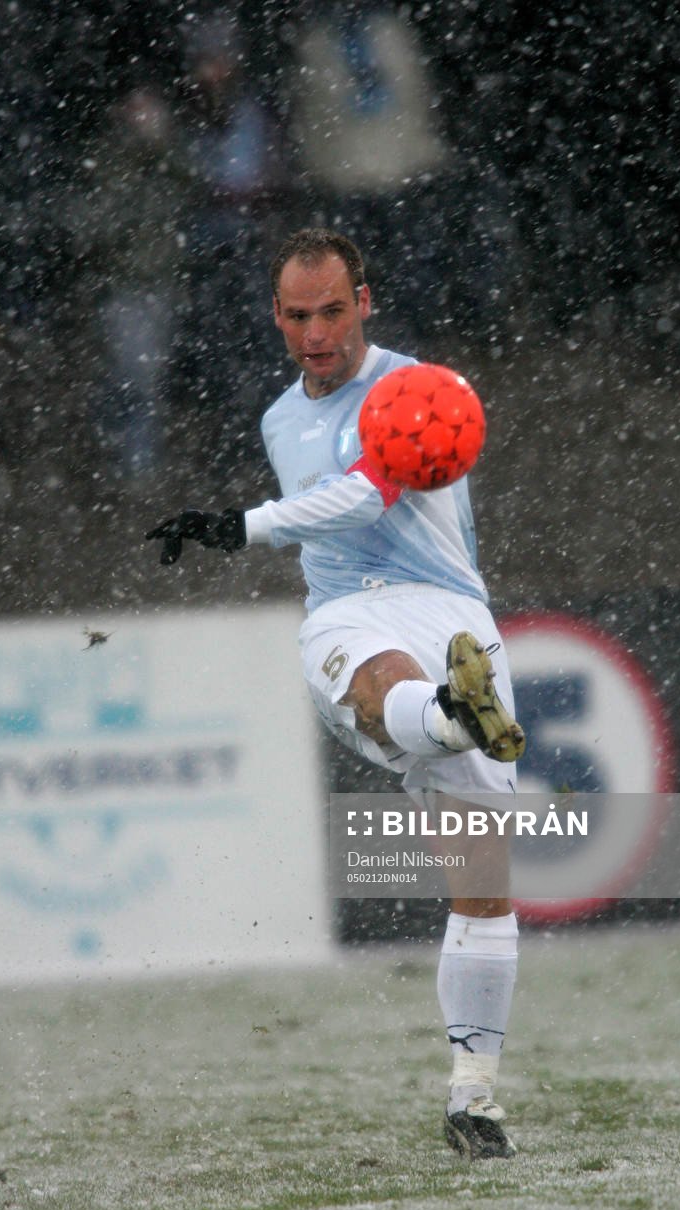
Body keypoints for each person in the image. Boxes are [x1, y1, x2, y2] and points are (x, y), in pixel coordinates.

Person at [146, 227, 525, 1160]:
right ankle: (446, 711)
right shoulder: (279, 418)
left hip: (450, 611)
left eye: (332, 311)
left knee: (480, 886)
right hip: (348, 610)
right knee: (378, 680)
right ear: (276, 316)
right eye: (297, 315)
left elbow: (365, 495)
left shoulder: (418, 388)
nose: (317, 333)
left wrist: (240, 526)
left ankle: (474, 1097)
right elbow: (335, 527)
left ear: (366, 300)